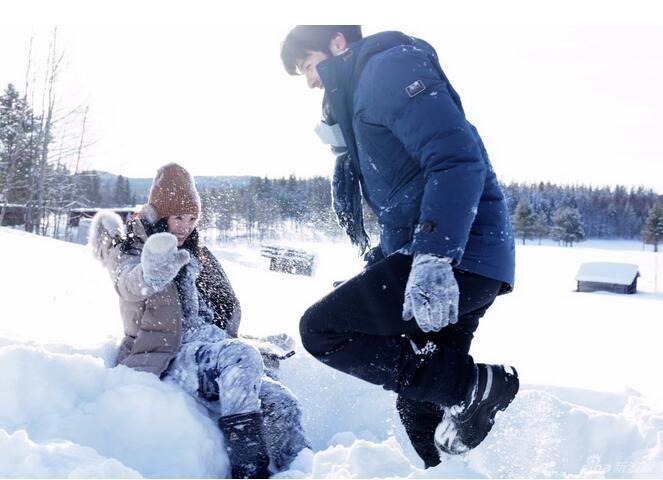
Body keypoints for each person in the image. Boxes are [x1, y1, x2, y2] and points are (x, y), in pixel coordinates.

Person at [281, 26, 519, 466]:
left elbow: (454, 159)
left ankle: (477, 388)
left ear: (337, 42)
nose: (311, 82)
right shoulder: (364, 91)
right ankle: (446, 470)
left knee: (323, 330)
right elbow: (405, 198)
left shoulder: (387, 69)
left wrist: (433, 257)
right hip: (459, 255)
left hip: (458, 255)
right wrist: (381, 262)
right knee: (419, 396)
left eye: (308, 66)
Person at [90, 163, 309, 478]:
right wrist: (152, 271)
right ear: (160, 215)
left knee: (282, 401)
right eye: (178, 217)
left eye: (192, 219)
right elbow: (129, 283)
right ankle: (249, 471)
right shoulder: (131, 248)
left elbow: (214, 311)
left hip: (206, 348)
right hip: (166, 354)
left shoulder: (194, 254)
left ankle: (301, 470)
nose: (185, 227)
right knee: (240, 355)